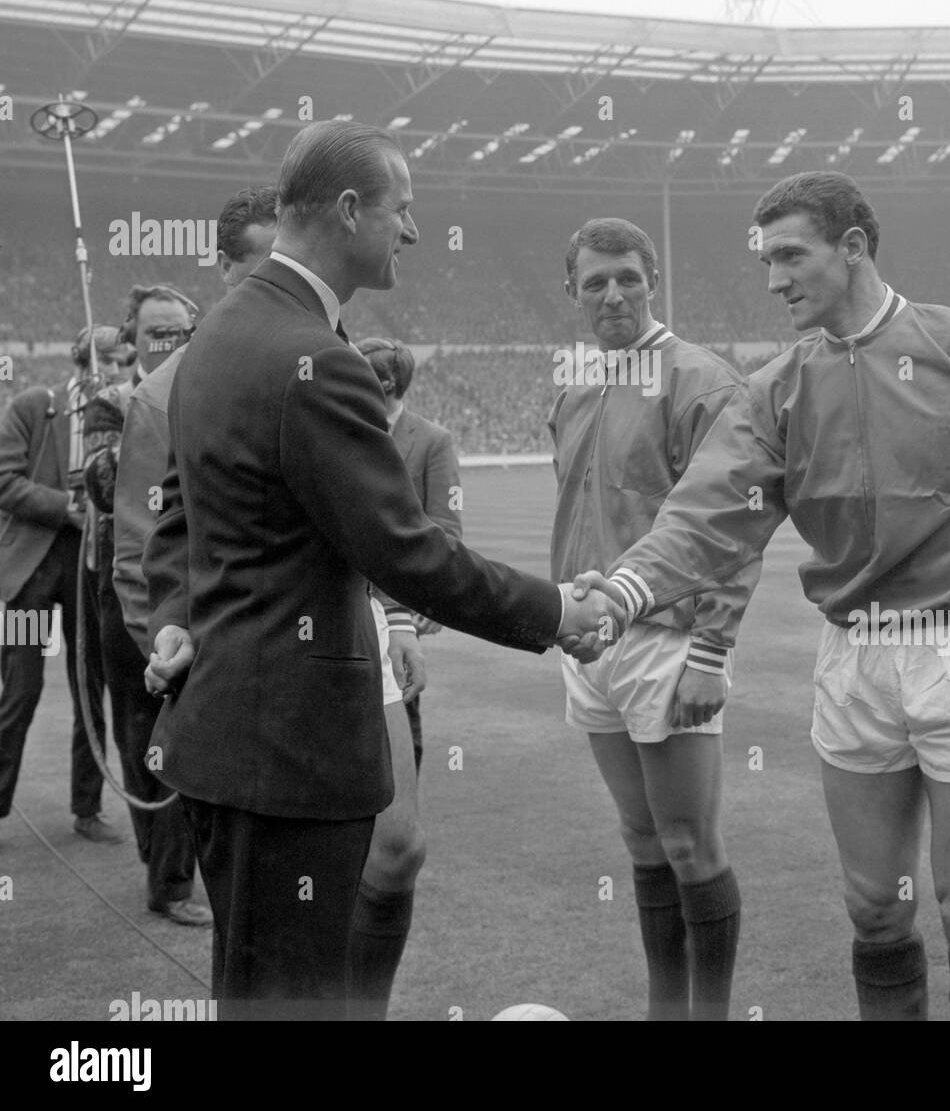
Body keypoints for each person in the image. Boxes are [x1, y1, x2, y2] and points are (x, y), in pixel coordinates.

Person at [140, 119, 622, 1020]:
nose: (410, 231)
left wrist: (176, 615)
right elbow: (403, 549)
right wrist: (557, 610)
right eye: (403, 210)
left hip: (230, 739)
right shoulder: (312, 356)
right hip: (286, 751)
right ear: (351, 209)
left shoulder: (221, 336)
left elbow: (177, 514)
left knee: (259, 994)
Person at [577, 171, 950, 1021]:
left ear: (853, 246)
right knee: (873, 906)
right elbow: (704, 514)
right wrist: (620, 593)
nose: (773, 279)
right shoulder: (776, 386)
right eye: (765, 260)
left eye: (790, 255)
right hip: (852, 658)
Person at [550, 219, 751, 1021]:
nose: (613, 294)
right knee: (640, 842)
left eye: (627, 277)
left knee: (688, 845)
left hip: (670, 642)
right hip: (588, 643)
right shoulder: (573, 387)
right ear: (572, 291)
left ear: (653, 281)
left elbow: (734, 519)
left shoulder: (701, 379)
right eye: (595, 281)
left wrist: (711, 648)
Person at [109, 216, 278, 927]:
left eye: (183, 327)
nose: (175, 339)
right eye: (160, 332)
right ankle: (172, 883)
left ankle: (178, 875)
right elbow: (142, 543)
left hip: (220, 621)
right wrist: (164, 640)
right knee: (157, 747)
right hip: (155, 616)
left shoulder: (241, 370)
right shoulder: (150, 401)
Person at [347, 336, 462, 1020]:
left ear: (391, 382)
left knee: (394, 825)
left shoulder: (429, 440)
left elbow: (441, 531)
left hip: (390, 633)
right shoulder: (334, 430)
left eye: (372, 373)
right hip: (336, 628)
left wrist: (400, 616)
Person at [0, 326, 129, 841]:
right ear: (83, 363)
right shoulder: (35, 405)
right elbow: (4, 480)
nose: (117, 373)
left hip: (87, 568)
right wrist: (66, 508)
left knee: (88, 689)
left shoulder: (122, 411)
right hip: (32, 573)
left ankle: (87, 809)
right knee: (22, 691)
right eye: (111, 363)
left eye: (123, 363)